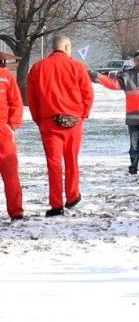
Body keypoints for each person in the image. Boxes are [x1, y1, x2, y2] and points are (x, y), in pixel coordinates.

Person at [27, 35, 94, 217]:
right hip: (74, 120)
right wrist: (83, 115)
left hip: (49, 121)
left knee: (54, 164)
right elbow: (87, 94)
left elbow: (31, 98)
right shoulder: (77, 67)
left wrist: (38, 119)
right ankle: (73, 195)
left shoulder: (38, 67)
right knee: (72, 159)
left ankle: (56, 204)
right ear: (67, 46)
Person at [0, 57, 24, 220]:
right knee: (10, 172)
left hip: (3, 129)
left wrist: (12, 125)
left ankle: (16, 210)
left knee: (10, 173)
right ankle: (16, 211)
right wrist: (12, 125)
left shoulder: (6, 77)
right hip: (4, 130)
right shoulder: (6, 77)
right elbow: (16, 102)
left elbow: (16, 102)